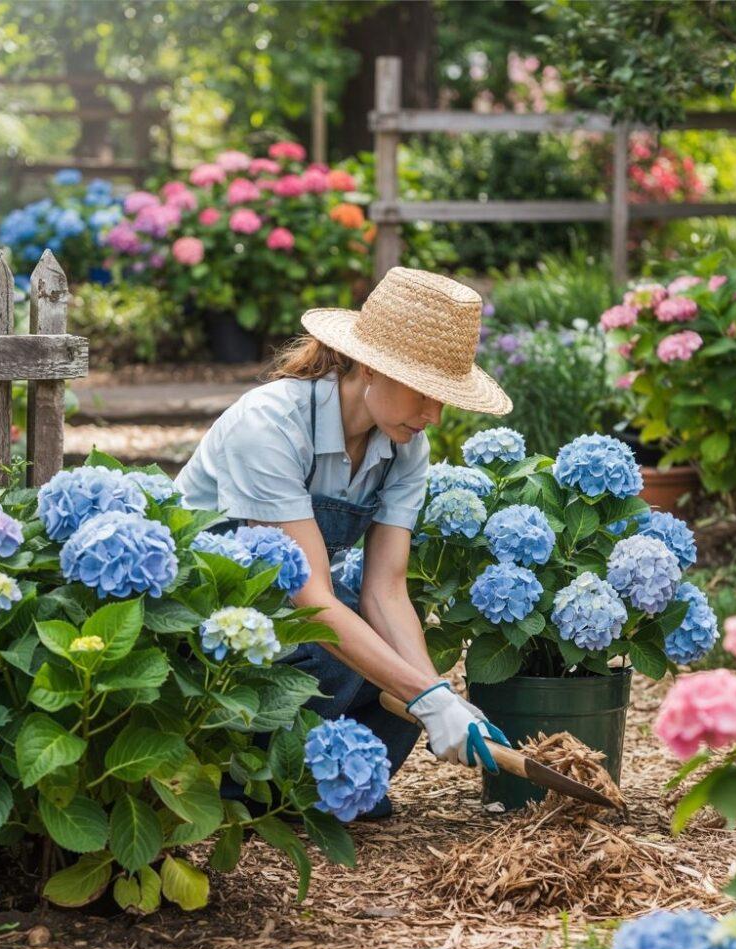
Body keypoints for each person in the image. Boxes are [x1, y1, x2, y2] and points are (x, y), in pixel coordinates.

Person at [175, 267, 514, 819]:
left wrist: (439, 695)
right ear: (370, 367)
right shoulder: (271, 425)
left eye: (444, 399)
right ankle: (243, 784)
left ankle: (325, 788)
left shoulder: (405, 446)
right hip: (209, 632)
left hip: (284, 618)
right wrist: (423, 698)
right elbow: (308, 600)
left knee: (385, 641)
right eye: (424, 392)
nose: (432, 415)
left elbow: (388, 590)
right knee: (343, 658)